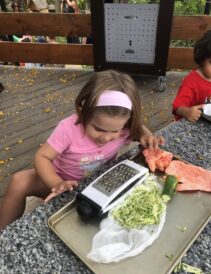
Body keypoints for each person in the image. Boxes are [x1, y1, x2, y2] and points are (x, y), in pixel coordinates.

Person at [0, 69, 164, 229]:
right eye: (98, 129)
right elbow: (41, 157)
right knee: (19, 181)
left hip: (100, 184)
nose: (106, 137)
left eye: (115, 131)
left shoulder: (125, 128)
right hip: (62, 181)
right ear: (82, 111)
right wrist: (57, 184)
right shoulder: (68, 128)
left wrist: (147, 136)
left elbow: (139, 129)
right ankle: (3, 234)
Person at [173, 26, 211, 122]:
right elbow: (177, 106)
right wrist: (187, 111)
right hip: (190, 122)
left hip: (210, 119)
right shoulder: (191, 82)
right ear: (202, 59)